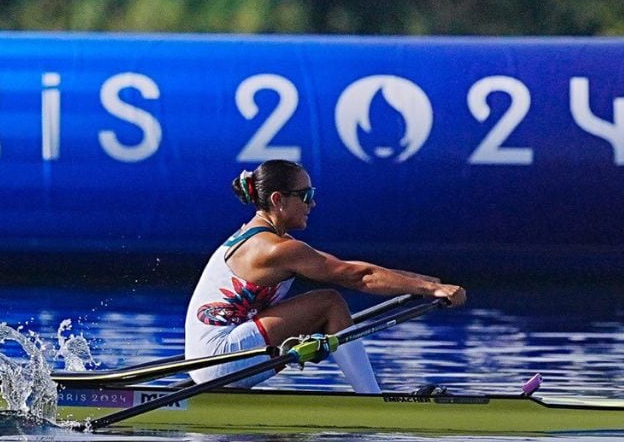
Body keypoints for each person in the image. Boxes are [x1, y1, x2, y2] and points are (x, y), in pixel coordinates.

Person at [184, 159, 466, 393]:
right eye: (305, 196)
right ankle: (370, 399)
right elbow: (359, 276)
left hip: (214, 361)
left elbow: (356, 271)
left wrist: (428, 284)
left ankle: (367, 397)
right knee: (329, 303)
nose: (313, 204)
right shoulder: (273, 248)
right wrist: (429, 288)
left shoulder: (259, 237)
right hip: (219, 358)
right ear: (278, 200)